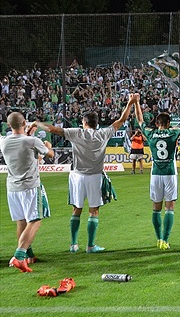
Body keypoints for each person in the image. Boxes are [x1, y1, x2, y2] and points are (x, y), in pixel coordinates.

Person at [39, 94, 138, 253]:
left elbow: (51, 129)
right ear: (96, 123)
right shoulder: (103, 133)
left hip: (77, 176)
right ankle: (90, 246)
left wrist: (36, 123)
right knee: (94, 210)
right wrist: (130, 103)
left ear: (84, 123)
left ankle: (73, 245)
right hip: (95, 176)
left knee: (76, 209)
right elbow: (121, 120)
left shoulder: (76, 133)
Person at [136, 93, 180, 250]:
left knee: (156, 208)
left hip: (155, 174)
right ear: (168, 123)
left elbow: (140, 121)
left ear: (156, 122)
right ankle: (165, 239)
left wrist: (136, 103)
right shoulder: (173, 132)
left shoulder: (150, 133)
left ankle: (158, 238)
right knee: (170, 207)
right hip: (169, 173)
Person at [1, 113, 54, 272]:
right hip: (30, 186)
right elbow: (50, 154)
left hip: (12, 188)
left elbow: (19, 141)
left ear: (9, 125)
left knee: (21, 221)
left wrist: (27, 133)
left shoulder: (4, 142)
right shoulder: (32, 141)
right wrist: (48, 146)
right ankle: (19, 256)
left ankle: (28, 255)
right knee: (35, 220)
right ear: (24, 122)